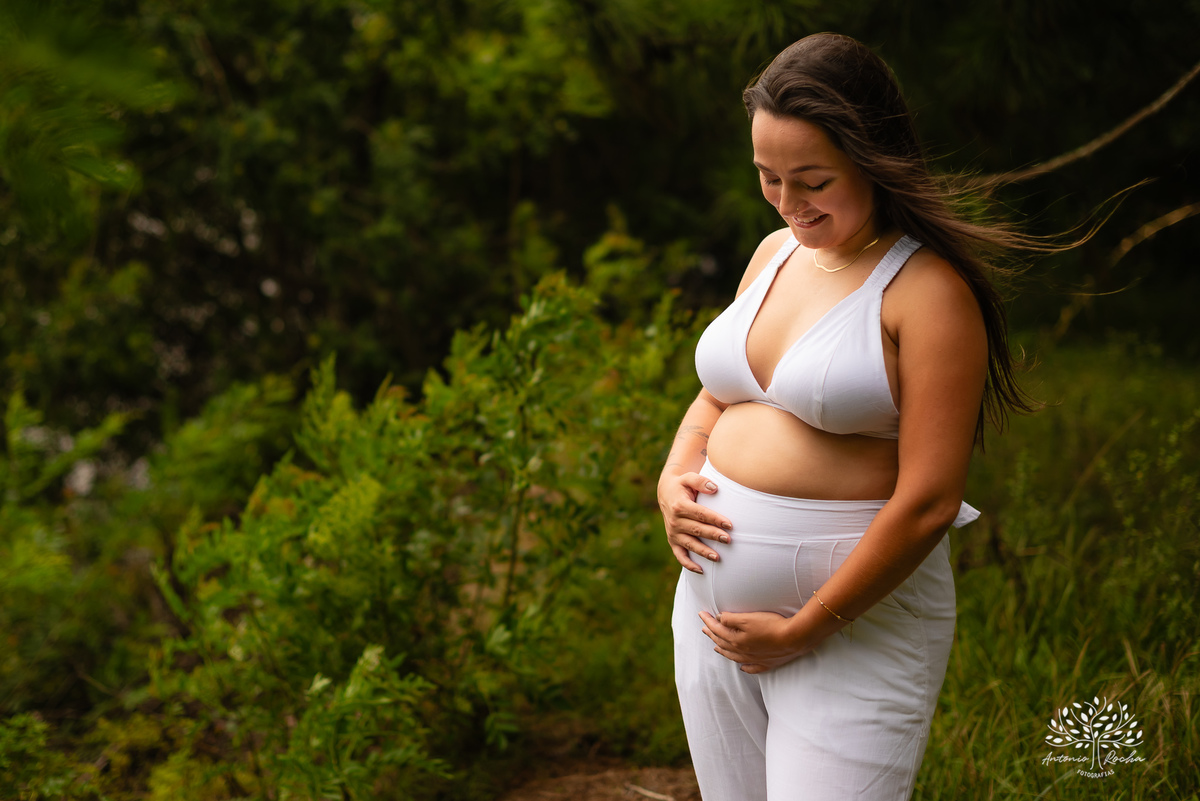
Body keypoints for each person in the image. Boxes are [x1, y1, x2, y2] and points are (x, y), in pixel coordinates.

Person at [658, 32, 1036, 801]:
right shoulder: (772, 256)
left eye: (812, 180)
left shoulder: (927, 294)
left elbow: (930, 499)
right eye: (769, 178)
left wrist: (806, 625)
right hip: (709, 616)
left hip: (853, 629)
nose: (790, 203)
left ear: (873, 158)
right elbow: (717, 396)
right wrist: (674, 475)